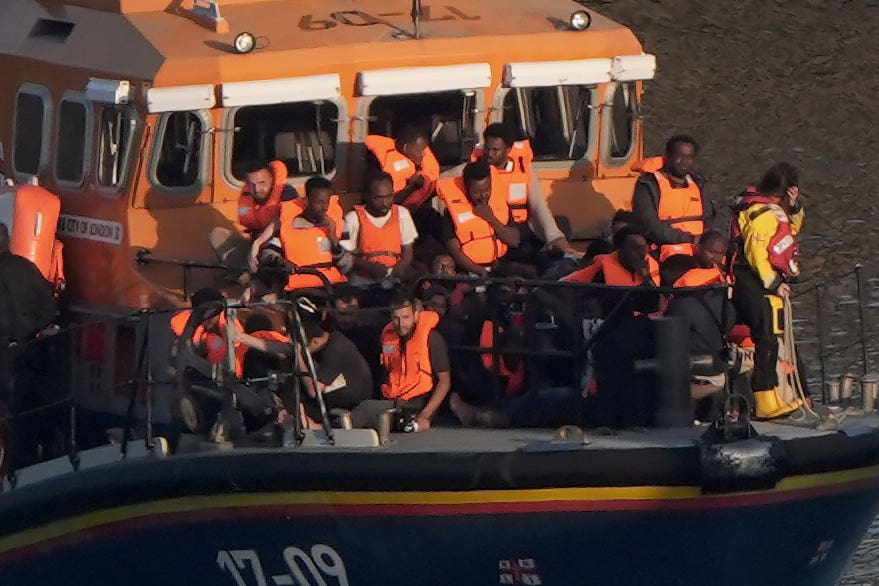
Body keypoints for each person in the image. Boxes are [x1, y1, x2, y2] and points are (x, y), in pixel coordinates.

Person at [730, 162, 804, 419]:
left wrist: (794, 209)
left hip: (760, 279)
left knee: (772, 337)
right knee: (765, 336)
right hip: (751, 280)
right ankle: (764, 398)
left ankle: (774, 394)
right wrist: (773, 283)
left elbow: (787, 234)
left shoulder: (772, 211)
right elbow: (757, 254)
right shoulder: (761, 215)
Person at [230, 299, 373, 425]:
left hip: (350, 403)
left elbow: (314, 390)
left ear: (314, 341)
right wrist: (241, 337)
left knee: (295, 380)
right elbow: (281, 347)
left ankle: (306, 424)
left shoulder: (336, 349)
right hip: (327, 398)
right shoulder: (315, 344)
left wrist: (299, 355)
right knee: (287, 380)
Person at [0, 222, 58, 470]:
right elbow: (50, 309)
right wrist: (28, 333)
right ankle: (28, 466)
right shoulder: (27, 269)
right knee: (25, 416)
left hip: (5, 354)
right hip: (28, 353)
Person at [662, 234, 736, 422]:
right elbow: (730, 322)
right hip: (719, 360)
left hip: (696, 364)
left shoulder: (679, 304)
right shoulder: (719, 294)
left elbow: (671, 337)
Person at [352, 294, 451, 431]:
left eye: (405, 317)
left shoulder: (432, 339)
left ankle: (333, 430)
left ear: (415, 315)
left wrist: (424, 416)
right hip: (392, 401)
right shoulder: (388, 337)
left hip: (416, 404)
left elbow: (444, 382)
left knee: (366, 409)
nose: (401, 323)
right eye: (396, 318)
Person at [472, 123, 575, 254]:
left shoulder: (524, 170)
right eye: (487, 149)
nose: (489, 154)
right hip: (496, 228)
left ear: (508, 150)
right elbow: (452, 175)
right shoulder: (476, 170)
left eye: (495, 150)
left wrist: (554, 236)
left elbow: (538, 205)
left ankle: (554, 252)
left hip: (523, 227)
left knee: (561, 223)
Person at [250, 176, 350, 293]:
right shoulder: (291, 225)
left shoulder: (338, 224)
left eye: (326, 202)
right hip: (299, 289)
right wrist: (282, 263)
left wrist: (333, 239)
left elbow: (348, 265)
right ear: (307, 201)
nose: (324, 208)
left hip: (332, 285)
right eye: (319, 202)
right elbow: (268, 253)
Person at [632, 135, 713, 261]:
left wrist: (707, 243)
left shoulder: (699, 184)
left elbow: (708, 218)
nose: (684, 162)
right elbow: (650, 224)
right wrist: (689, 239)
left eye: (689, 157)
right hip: (664, 255)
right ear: (668, 156)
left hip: (699, 254)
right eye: (679, 156)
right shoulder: (649, 184)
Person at [210, 160, 297, 276]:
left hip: (280, 246)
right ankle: (245, 277)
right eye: (252, 184)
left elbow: (281, 220)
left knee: (270, 254)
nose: (257, 189)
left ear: (272, 180)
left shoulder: (287, 193)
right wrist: (254, 246)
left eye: (262, 183)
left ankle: (260, 279)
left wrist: (257, 244)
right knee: (217, 234)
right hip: (256, 244)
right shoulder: (248, 197)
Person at [436, 161, 521, 277]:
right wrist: (480, 271)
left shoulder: (500, 204)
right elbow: (455, 250)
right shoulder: (451, 212)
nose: (483, 196)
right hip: (470, 272)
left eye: (486, 190)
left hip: (500, 267)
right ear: (467, 189)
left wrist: (491, 218)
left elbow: (515, 241)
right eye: (477, 192)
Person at [343, 171, 417, 291]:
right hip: (363, 284)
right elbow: (345, 256)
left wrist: (400, 268)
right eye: (378, 198)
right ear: (367, 196)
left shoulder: (402, 214)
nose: (385, 203)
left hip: (394, 281)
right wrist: (370, 267)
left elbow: (408, 250)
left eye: (389, 196)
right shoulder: (353, 218)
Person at [364, 126, 440, 210]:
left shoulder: (417, 150)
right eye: (420, 151)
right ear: (405, 147)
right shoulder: (381, 165)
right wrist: (412, 187)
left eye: (424, 150)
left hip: (422, 204)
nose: (424, 154)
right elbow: (388, 204)